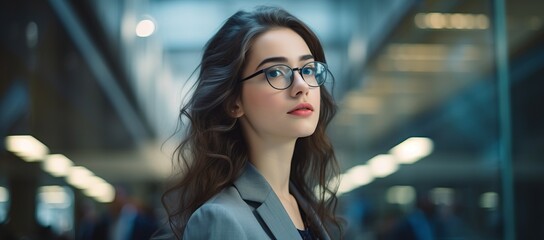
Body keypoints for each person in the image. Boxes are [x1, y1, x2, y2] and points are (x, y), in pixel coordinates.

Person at [161, 6, 343, 240]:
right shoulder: (221, 218)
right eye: (276, 73)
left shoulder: (305, 207)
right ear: (234, 102)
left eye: (308, 69)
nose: (301, 86)